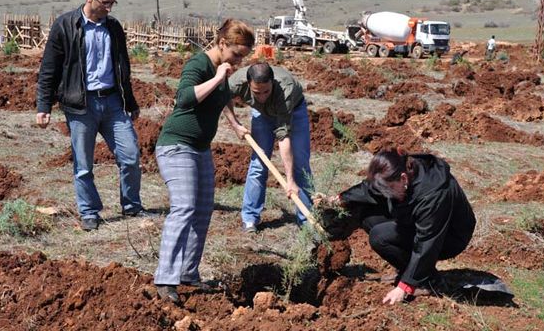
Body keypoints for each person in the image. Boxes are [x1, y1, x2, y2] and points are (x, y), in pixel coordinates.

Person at [36, 0, 150, 231]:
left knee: (130, 156)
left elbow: (123, 68)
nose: (109, 8)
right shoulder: (65, 25)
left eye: (112, 3)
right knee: (84, 164)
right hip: (80, 105)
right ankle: (89, 211)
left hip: (112, 103)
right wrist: (43, 106)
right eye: (105, 2)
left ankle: (132, 205)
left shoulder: (113, 27)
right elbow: (49, 69)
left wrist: (130, 101)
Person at [154, 19, 254, 304]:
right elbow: (184, 98)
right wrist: (217, 77)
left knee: (202, 210)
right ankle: (165, 278)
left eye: (243, 56)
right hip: (176, 145)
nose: (239, 60)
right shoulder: (199, 65)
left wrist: (234, 123)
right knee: (184, 207)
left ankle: (188, 273)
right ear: (222, 44)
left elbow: (224, 97)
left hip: (200, 148)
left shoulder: (223, 70)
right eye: (236, 54)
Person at [321, 149, 476, 305]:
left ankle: (427, 280)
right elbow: (371, 188)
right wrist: (338, 199)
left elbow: (427, 242)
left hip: (449, 236)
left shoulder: (433, 194)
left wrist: (405, 286)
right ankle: (411, 270)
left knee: (379, 237)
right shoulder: (400, 168)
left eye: (388, 189)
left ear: (403, 179)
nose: (385, 193)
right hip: (421, 222)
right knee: (368, 216)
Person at [225, 63, 313, 233]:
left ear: (273, 82)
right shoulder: (236, 82)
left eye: (266, 91)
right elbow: (221, 97)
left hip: (293, 111)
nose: (262, 96)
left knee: (301, 165)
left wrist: (290, 181)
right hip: (261, 114)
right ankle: (250, 218)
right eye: (257, 92)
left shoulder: (284, 90)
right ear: (248, 83)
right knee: (258, 164)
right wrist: (235, 124)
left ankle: (306, 218)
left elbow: (283, 136)